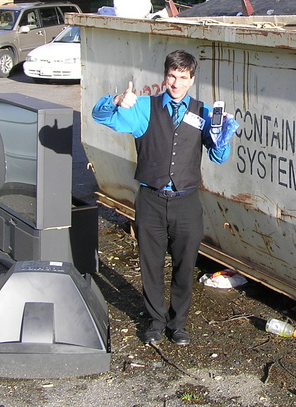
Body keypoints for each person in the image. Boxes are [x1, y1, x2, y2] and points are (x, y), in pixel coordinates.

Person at [92, 50, 233, 346]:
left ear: (192, 79)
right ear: (164, 76)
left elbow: (218, 158)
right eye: (172, 76)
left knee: (185, 267)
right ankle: (155, 321)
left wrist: (223, 139)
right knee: (151, 265)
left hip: (187, 202)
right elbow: (99, 116)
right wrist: (117, 100)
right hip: (151, 200)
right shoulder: (144, 107)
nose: (176, 83)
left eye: (183, 77)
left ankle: (177, 324)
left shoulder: (203, 112)